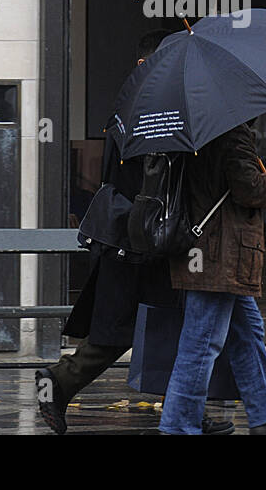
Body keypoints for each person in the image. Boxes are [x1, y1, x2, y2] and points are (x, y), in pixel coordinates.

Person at [36, 30, 233, 436]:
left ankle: (183, 413)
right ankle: (60, 381)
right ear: (150, 63)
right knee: (132, 328)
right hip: (139, 240)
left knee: (165, 327)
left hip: (135, 237)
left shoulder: (134, 106)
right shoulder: (156, 111)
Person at [159, 120, 266, 435]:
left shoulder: (190, 131)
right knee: (201, 343)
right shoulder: (232, 132)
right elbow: (248, 189)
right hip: (222, 254)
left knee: (248, 331)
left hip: (208, 252)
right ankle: (177, 426)